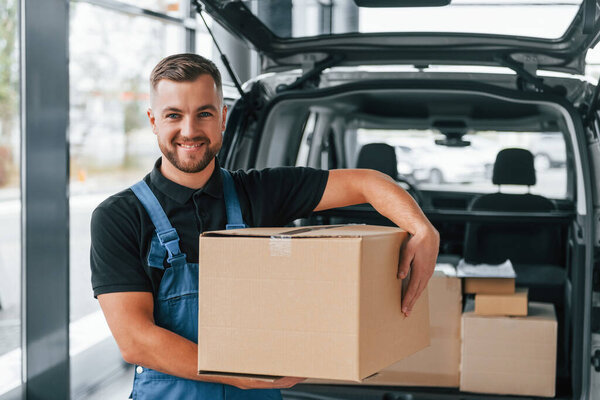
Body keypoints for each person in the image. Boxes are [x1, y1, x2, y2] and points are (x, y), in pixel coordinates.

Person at [91, 53, 439, 400]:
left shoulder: (261, 192)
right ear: (153, 120)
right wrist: (238, 374)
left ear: (223, 118)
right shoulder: (119, 216)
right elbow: (136, 340)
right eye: (173, 116)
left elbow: (367, 182)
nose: (190, 130)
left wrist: (423, 229)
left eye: (204, 114)